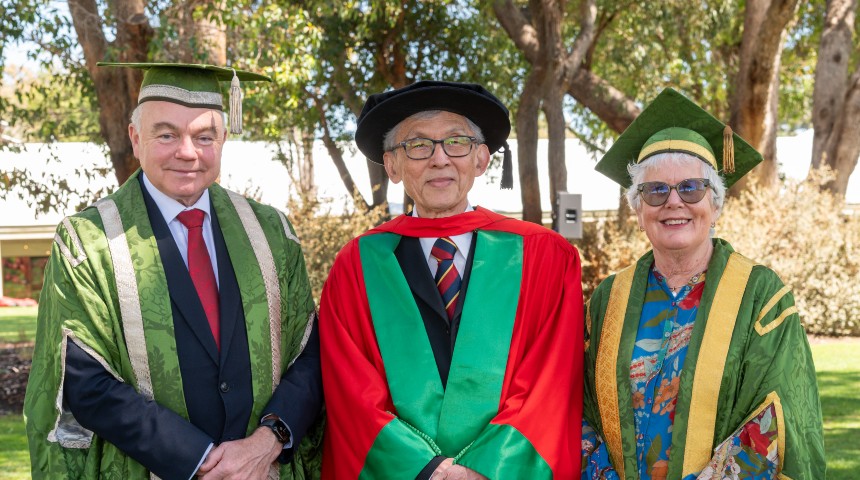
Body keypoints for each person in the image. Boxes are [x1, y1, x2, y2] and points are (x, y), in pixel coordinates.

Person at [24, 63, 323, 480]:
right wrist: (199, 460)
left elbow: (308, 353)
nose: (188, 151)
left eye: (205, 136)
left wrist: (268, 440)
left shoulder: (272, 232)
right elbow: (84, 379)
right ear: (135, 138)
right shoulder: (88, 241)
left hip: (262, 470)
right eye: (166, 134)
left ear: (223, 139)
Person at [318, 81, 584, 480]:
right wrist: (427, 470)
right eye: (418, 145)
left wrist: (483, 469)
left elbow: (552, 382)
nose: (440, 159)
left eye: (456, 142)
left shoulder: (544, 257)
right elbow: (350, 391)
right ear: (392, 165)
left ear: (481, 159)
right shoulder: (357, 265)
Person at [581, 88, 825, 479]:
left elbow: (779, 415)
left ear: (715, 205)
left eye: (691, 188)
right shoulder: (608, 300)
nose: (673, 202)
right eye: (655, 190)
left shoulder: (759, 296)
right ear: (638, 211)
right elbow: (578, 405)